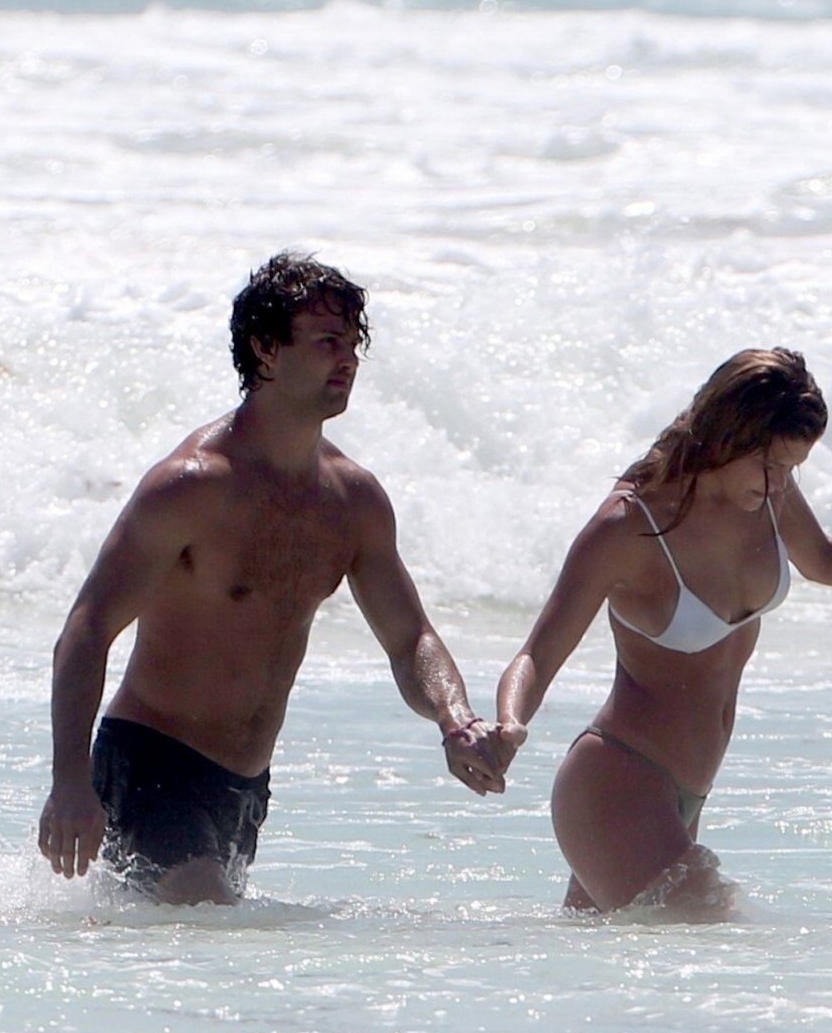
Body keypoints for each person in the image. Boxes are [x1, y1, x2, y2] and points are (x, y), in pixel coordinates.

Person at [37, 252, 504, 904]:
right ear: (265, 348)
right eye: (327, 342)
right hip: (151, 765)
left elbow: (410, 639)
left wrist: (455, 721)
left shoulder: (353, 500)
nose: (347, 360)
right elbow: (87, 629)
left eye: (353, 344)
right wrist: (69, 780)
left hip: (244, 789)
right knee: (210, 930)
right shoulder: (192, 487)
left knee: (204, 950)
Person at [493, 348, 832, 919]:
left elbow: (824, 560)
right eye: (771, 466)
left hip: (683, 796)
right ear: (729, 435)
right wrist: (508, 724)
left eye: (792, 469)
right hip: (619, 787)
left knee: (617, 973)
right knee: (725, 949)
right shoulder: (629, 527)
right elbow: (538, 654)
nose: (781, 483)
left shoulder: (766, 496)